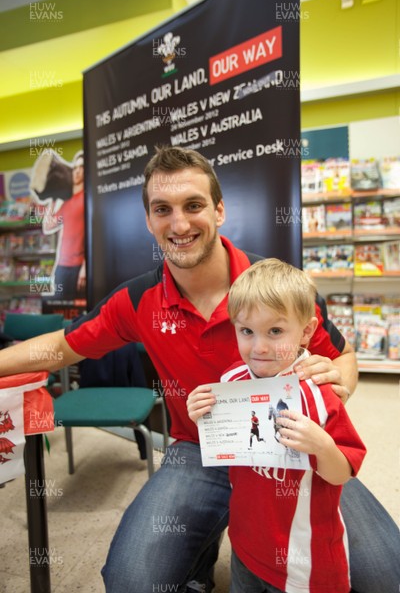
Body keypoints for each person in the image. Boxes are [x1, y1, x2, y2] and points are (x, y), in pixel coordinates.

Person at [0, 146, 398, 593]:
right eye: (162, 210)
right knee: (131, 582)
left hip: (292, 450)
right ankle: (198, 559)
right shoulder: (136, 301)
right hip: (199, 451)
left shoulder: (280, 288)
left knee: (388, 576)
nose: (180, 224)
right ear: (149, 221)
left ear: (220, 209)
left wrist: (337, 384)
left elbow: (344, 357)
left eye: (194, 206)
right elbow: (60, 347)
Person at [188, 258, 367, 592]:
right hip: (245, 543)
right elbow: (226, 444)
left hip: (304, 559)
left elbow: (343, 471)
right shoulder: (231, 381)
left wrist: (322, 446)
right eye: (246, 331)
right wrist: (201, 414)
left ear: (307, 331)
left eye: (275, 331)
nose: (259, 347)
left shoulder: (320, 396)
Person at [41, 151, 86, 299]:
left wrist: (85, 267)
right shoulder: (66, 202)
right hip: (62, 265)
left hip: (78, 266)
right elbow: (48, 226)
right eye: (75, 168)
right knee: (60, 308)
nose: (78, 171)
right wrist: (51, 199)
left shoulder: (87, 199)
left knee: (77, 313)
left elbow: (94, 236)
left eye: (82, 167)